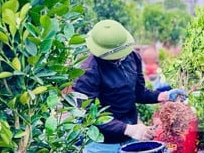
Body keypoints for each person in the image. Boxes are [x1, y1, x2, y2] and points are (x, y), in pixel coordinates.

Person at [72, 19, 187, 153]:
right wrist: (130, 129)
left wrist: (165, 95)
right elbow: (89, 115)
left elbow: (138, 92)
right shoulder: (87, 71)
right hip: (101, 144)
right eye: (115, 56)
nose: (121, 58)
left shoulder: (132, 57)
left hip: (129, 138)